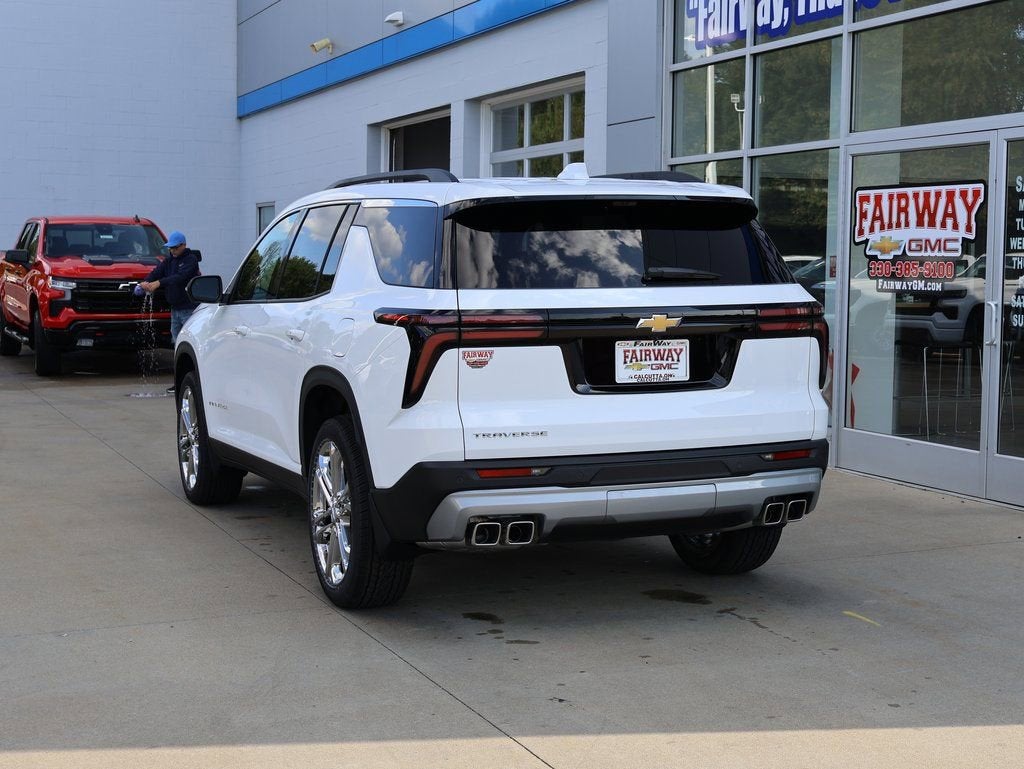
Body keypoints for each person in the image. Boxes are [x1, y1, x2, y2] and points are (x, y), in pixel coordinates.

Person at [139, 230, 201, 393]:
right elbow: (157, 272)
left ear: (183, 245)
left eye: (175, 248)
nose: (172, 251)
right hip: (175, 310)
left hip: (189, 309)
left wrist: (159, 283)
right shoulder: (169, 261)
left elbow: (180, 277)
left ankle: (192, 378)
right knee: (177, 345)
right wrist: (145, 282)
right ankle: (179, 381)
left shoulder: (190, 260)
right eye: (170, 248)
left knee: (189, 346)